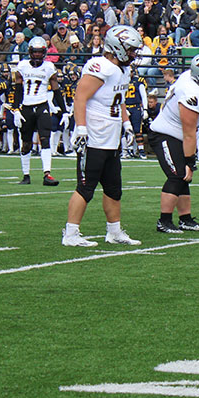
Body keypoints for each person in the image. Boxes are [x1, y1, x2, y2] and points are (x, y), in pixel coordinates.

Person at [62, 25, 144, 248]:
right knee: (86, 187)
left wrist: (126, 124)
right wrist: (80, 128)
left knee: (113, 187)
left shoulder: (122, 70)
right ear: (117, 47)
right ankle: (70, 233)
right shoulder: (100, 66)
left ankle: (114, 232)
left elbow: (119, 99)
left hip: (112, 135)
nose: (133, 54)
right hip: (94, 135)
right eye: (130, 50)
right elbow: (80, 97)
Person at [149, 53, 199, 234]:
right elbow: (189, 133)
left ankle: (185, 219)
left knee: (182, 177)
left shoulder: (191, 78)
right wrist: (190, 162)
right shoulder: (194, 93)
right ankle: (164, 221)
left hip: (177, 134)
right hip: (165, 133)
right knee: (178, 175)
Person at [12, 36, 61, 186]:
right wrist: (15, 109)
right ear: (30, 52)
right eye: (35, 52)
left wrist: (64, 110)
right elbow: (18, 90)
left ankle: (47, 174)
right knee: (26, 142)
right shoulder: (22, 66)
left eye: (40, 52)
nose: (38, 55)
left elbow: (56, 90)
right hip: (26, 106)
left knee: (45, 138)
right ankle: (26, 175)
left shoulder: (49, 67)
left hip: (42, 105)